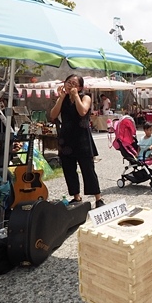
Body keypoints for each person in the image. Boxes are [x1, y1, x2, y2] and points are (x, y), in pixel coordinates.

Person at [50, 74, 104, 207]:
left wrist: (75, 96)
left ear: (80, 87)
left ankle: (98, 198)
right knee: (69, 169)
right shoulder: (62, 99)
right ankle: (76, 196)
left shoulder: (85, 97)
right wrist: (61, 98)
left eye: (74, 83)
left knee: (88, 169)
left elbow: (82, 111)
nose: (70, 85)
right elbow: (52, 115)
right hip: (66, 139)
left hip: (82, 139)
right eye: (68, 82)